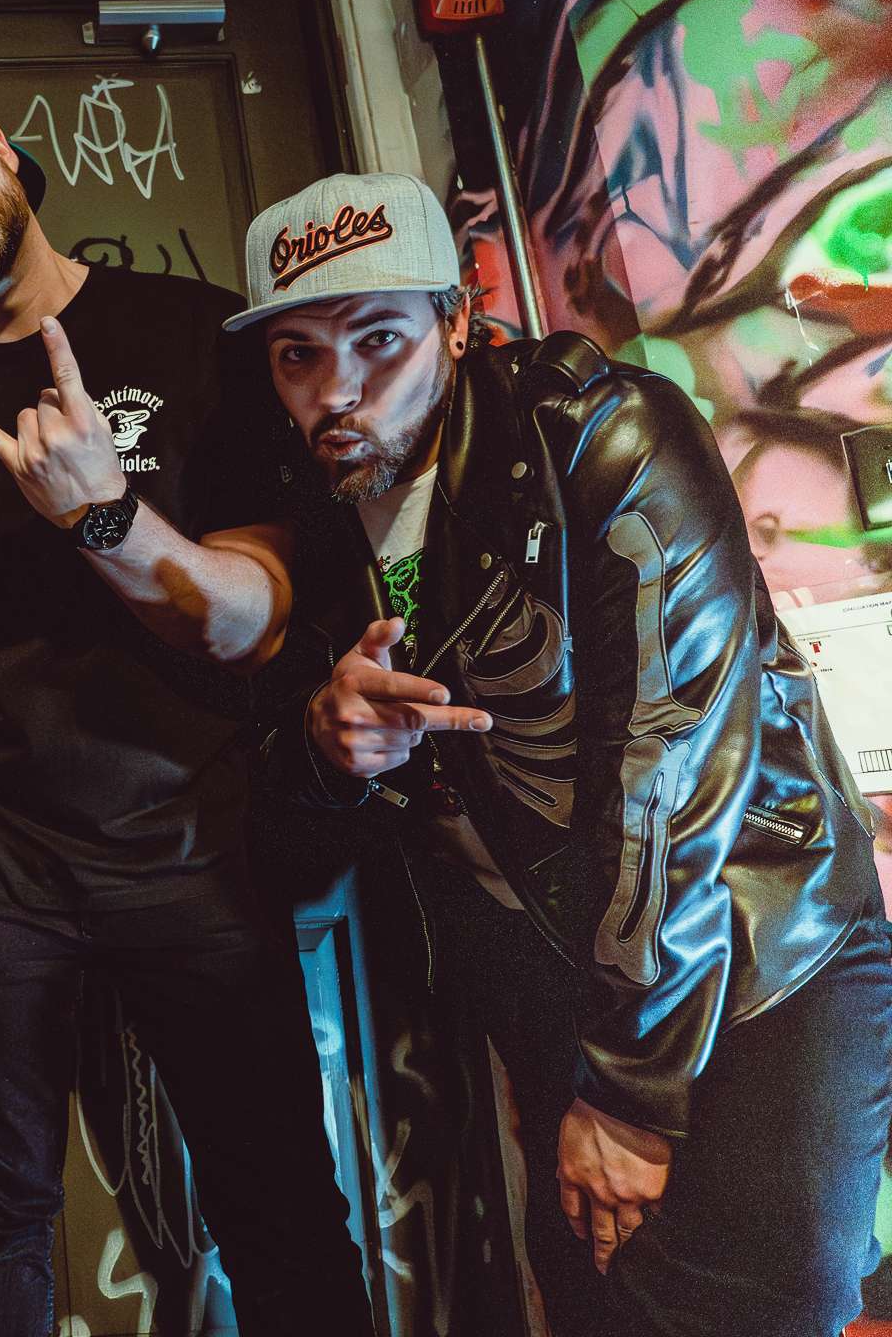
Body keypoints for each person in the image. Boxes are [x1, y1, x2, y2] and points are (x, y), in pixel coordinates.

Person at [245, 170, 892, 1335]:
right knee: (604, 1311)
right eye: (297, 355)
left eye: (376, 339)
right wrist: (328, 748)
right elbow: (286, 833)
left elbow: (674, 766)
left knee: (767, 1305)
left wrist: (631, 1093)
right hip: (549, 987)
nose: (335, 390)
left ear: (458, 315)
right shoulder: (312, 511)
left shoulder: (601, 434)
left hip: (751, 953)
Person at [0, 79, 374, 1335]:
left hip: (195, 849)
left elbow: (254, 621)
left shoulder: (202, 339)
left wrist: (103, 522)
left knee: (279, 1204)